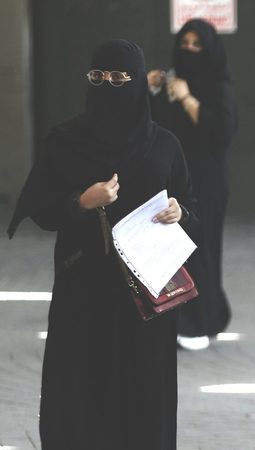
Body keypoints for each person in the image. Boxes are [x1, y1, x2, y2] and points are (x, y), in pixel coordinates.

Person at [7, 39, 196, 450]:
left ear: (136, 82)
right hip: (85, 291)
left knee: (144, 394)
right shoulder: (66, 140)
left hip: (146, 298)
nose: (108, 86)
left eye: (119, 78)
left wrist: (179, 212)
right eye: (99, 77)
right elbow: (39, 207)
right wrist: (81, 202)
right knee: (79, 391)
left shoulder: (164, 145)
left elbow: (190, 201)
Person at [148, 18, 238, 351]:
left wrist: (186, 98)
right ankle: (181, 316)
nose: (188, 50)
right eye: (184, 43)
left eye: (197, 44)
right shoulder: (172, 82)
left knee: (203, 247)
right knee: (175, 250)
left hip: (208, 181)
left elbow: (220, 132)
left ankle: (202, 319)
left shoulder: (219, 86)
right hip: (176, 180)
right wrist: (153, 88)